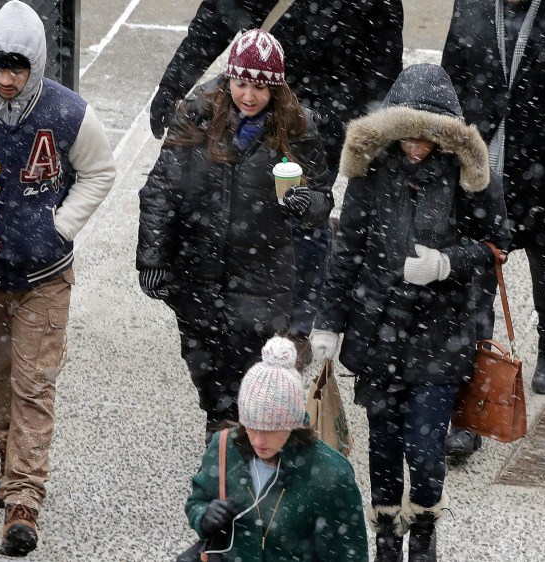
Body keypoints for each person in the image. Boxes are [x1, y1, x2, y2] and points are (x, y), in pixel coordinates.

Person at [0, 1, 116, 556]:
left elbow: (100, 170)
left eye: (18, 69)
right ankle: (9, 466)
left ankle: (24, 497)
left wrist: (61, 226)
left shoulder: (68, 114)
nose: (7, 81)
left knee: (35, 382)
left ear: (36, 65)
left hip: (45, 275)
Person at [310, 64, 510, 562]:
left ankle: (421, 535)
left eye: (426, 138)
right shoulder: (371, 172)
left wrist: (447, 263)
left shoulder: (471, 179)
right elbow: (348, 250)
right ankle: (385, 537)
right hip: (378, 332)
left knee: (424, 452)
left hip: (443, 334)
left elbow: (497, 243)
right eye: (407, 136)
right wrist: (329, 319)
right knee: (382, 446)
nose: (416, 147)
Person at [149, 0, 404, 363]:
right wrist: (173, 84)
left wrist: (339, 127)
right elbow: (215, 20)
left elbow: (383, 66)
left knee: (303, 220)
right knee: (246, 215)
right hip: (254, 106)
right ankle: (241, 314)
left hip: (319, 126)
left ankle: (296, 327)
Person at [137, 29, 330, 437]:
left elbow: (322, 199)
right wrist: (152, 258)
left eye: (260, 87)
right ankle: (220, 421)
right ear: (229, 79)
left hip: (262, 268)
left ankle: (241, 433)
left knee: (248, 359)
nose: (249, 95)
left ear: (275, 88)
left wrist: (306, 205)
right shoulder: (197, 113)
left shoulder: (297, 128)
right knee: (202, 358)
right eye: (241, 83)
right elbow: (161, 188)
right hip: (197, 265)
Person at [441, 0, 545, 457]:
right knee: (475, 283)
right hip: (482, 168)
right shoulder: (472, 5)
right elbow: (450, 78)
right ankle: (473, 404)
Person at [185, 336, 368, 561]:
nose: (259, 441)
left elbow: (348, 555)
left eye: (272, 430)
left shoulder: (332, 474)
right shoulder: (223, 448)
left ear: (293, 425)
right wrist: (204, 517)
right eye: (252, 428)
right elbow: (196, 504)